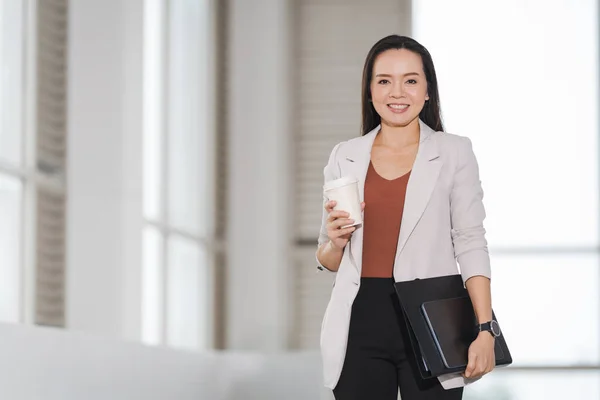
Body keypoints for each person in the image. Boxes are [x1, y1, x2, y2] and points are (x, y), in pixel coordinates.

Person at [316, 35, 496, 400]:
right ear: (370, 90)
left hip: (433, 319)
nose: (397, 92)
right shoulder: (344, 154)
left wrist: (484, 328)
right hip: (359, 321)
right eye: (384, 81)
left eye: (410, 80)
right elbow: (327, 257)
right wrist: (336, 243)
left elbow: (470, 240)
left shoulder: (454, 152)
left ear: (428, 90)